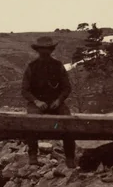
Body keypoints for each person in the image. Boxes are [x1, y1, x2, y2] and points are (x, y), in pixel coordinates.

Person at [20, 35, 76, 167]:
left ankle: (70, 158)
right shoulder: (31, 67)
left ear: (51, 50)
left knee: (69, 123)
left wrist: (59, 100)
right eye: (42, 49)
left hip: (55, 103)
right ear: (38, 50)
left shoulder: (58, 66)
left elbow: (67, 87)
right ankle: (33, 155)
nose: (45, 52)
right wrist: (36, 101)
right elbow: (25, 90)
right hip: (37, 104)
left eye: (47, 49)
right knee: (31, 122)